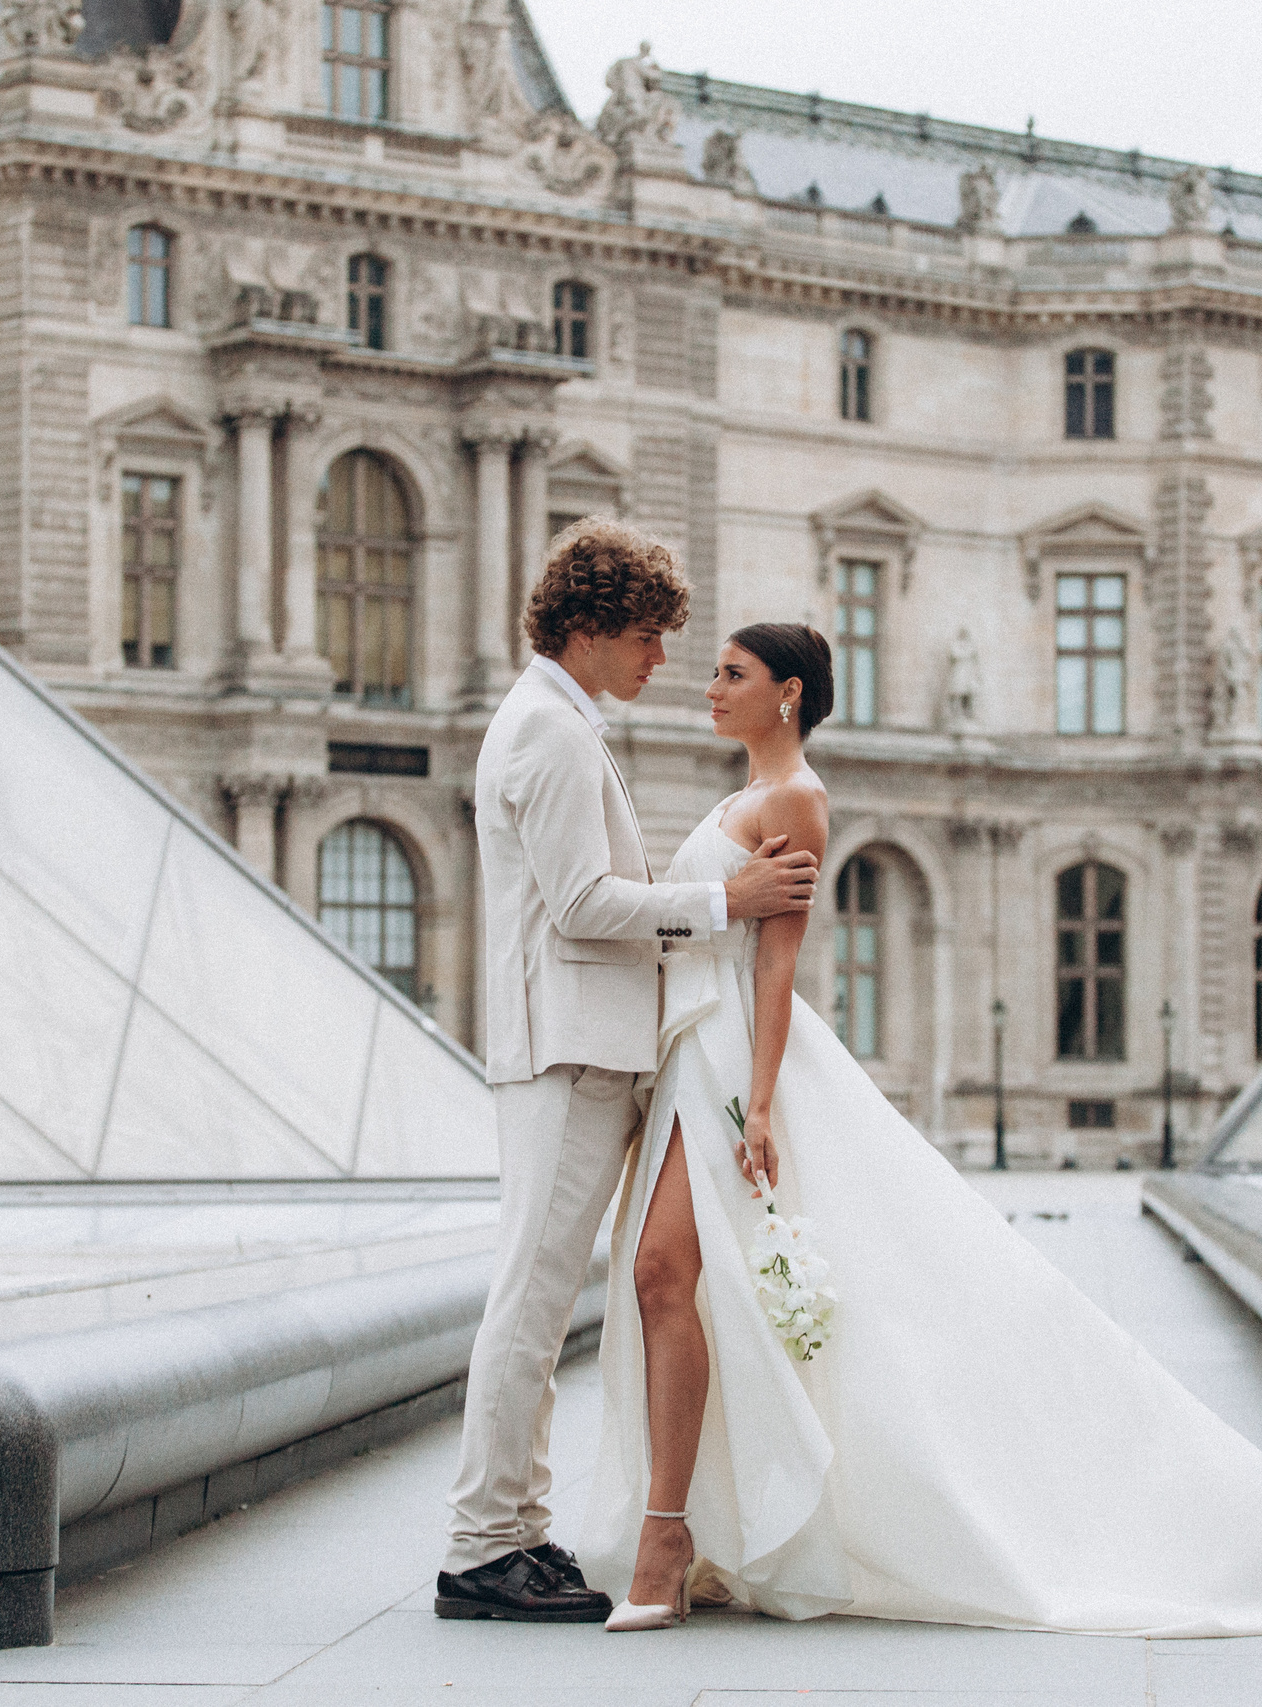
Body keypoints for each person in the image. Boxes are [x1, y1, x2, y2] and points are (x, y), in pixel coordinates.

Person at [583, 623, 1262, 1636]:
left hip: (732, 1059)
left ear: (788, 695)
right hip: (696, 1051)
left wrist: (763, 1099)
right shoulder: (745, 793)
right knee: (676, 1282)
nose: (709, 687)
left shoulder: (797, 798)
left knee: (666, 1273)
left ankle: (669, 1538)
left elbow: (777, 964)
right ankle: (691, 1529)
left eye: (731, 674)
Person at [437, 519, 820, 1622]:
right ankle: (482, 1546)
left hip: (582, 1047)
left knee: (539, 1303)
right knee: (530, 1305)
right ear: (591, 626)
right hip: (567, 1050)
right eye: (647, 636)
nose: (661, 661)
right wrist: (726, 903)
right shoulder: (551, 733)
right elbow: (581, 904)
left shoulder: (557, 722)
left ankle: (515, 1530)